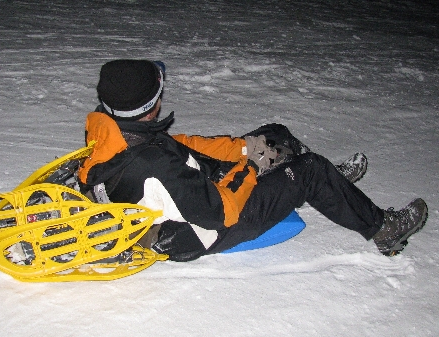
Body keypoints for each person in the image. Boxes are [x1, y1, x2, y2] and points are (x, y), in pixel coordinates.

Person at [77, 59, 428, 262]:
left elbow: (185, 145)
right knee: (310, 170)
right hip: (204, 229)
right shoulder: (152, 163)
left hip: (196, 188)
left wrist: (245, 148)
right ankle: (383, 229)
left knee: (276, 132)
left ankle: (328, 188)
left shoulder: (113, 131)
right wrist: (252, 166)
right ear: (150, 105)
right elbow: (221, 211)